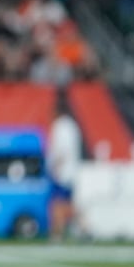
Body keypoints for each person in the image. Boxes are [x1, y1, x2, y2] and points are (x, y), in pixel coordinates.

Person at [46, 88, 82, 241]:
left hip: (62, 172)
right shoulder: (72, 126)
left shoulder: (60, 126)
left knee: (58, 205)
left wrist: (55, 166)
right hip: (71, 172)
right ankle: (81, 229)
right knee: (65, 205)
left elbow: (62, 151)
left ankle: (58, 234)